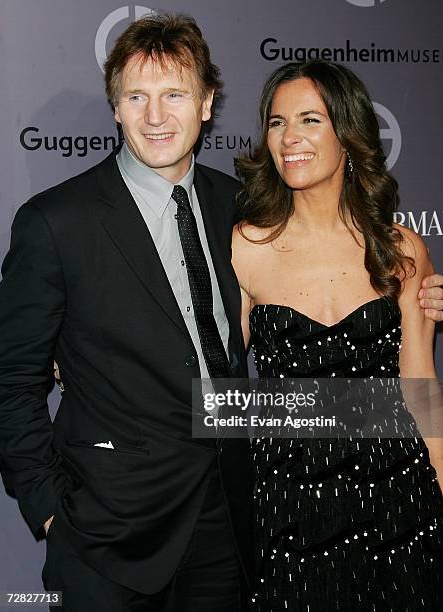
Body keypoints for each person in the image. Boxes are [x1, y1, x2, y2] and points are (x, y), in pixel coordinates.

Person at [0, 14, 253, 612]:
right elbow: (11, 382)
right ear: (115, 108)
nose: (156, 116)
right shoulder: (55, 222)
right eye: (136, 97)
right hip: (106, 535)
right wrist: (50, 512)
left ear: (207, 103)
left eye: (174, 95)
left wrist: (408, 291)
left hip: (229, 521)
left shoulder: (241, 207)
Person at [232, 60, 443, 611]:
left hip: (397, 500)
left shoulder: (401, 250)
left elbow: (419, 384)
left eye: (309, 120)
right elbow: (215, 389)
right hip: (286, 508)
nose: (290, 139)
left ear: (347, 134)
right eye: (277, 123)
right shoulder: (244, 248)